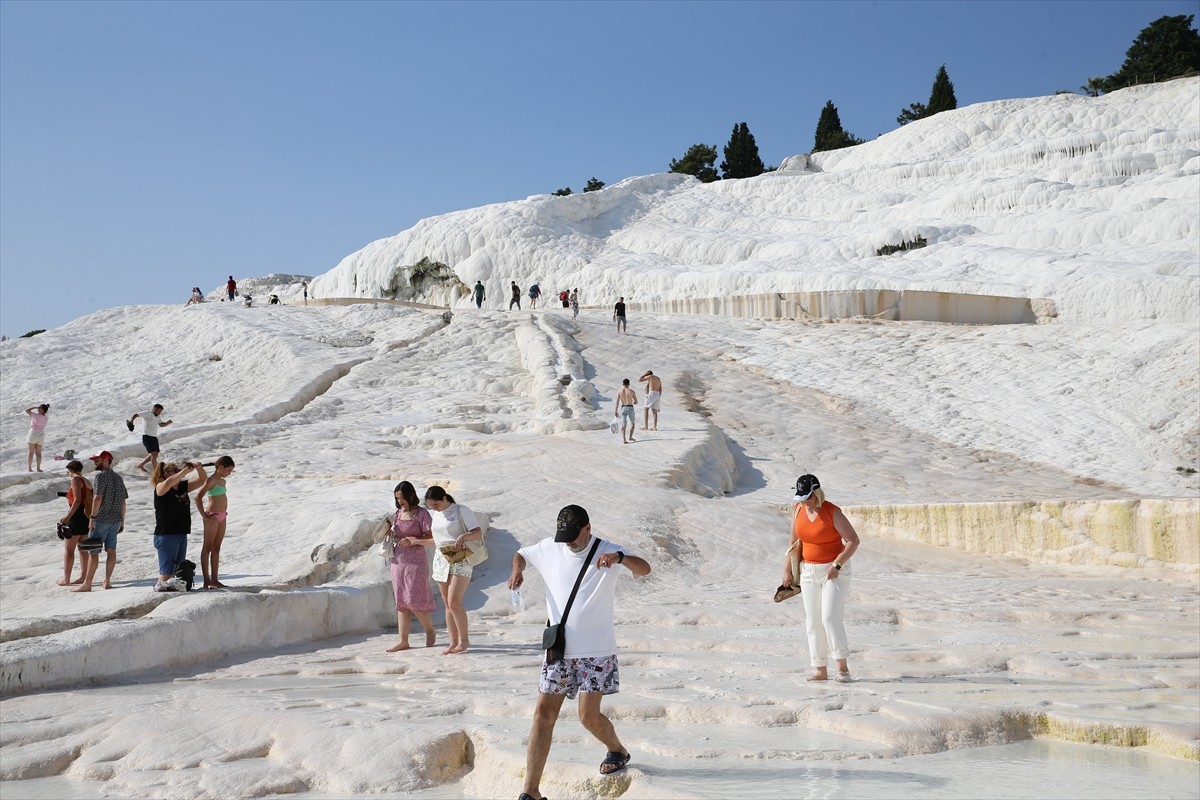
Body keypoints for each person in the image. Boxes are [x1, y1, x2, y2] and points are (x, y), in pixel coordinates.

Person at [507, 504, 651, 800]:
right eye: (565, 537)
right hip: (558, 650)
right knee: (542, 715)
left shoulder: (607, 550)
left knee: (587, 716)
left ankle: (617, 750)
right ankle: (531, 792)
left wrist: (620, 558)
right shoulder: (551, 547)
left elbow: (644, 569)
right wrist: (517, 570)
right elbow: (521, 554)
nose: (569, 543)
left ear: (588, 528)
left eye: (574, 536)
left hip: (596, 651)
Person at [781, 474, 861, 683]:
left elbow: (853, 540)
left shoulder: (832, 512)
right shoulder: (798, 510)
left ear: (817, 492)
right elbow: (793, 542)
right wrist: (788, 570)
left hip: (834, 571)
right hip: (808, 571)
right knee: (813, 621)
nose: (804, 501)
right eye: (801, 497)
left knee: (829, 618)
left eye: (808, 497)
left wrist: (837, 564)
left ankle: (843, 670)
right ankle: (820, 670)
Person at [424, 485, 483, 654]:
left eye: (436, 504)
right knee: (447, 604)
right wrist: (416, 541)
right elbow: (438, 540)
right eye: (431, 506)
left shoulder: (461, 510)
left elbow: (477, 532)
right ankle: (453, 642)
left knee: (454, 601)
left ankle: (464, 641)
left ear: (444, 498)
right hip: (441, 558)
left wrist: (463, 536)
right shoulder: (436, 514)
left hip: (460, 556)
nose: (434, 508)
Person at [387, 481, 438, 651]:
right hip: (398, 560)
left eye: (402, 498)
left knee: (414, 599)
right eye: (397, 498)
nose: (399, 501)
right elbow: (395, 535)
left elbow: (432, 535)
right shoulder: (398, 513)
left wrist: (414, 540)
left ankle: (430, 630)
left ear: (411, 496)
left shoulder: (422, 514)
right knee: (401, 600)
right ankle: (403, 641)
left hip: (416, 560)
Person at [151, 460, 208, 592]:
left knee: (177, 570)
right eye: (175, 471)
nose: (179, 473)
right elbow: (168, 483)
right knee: (166, 573)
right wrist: (185, 471)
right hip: (167, 534)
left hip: (181, 532)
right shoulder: (161, 487)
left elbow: (202, 480)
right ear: (166, 474)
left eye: (178, 470)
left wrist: (199, 468)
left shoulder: (182, 486)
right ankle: (158, 594)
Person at [76, 451, 128, 592]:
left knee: (93, 552)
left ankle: (87, 584)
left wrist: (92, 518)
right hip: (116, 519)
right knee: (111, 550)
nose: (95, 462)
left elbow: (98, 498)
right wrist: (122, 522)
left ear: (106, 461)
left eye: (98, 460)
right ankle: (107, 581)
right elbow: (123, 502)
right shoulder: (118, 478)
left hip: (101, 519)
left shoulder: (100, 477)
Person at [198, 455, 235, 589]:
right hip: (212, 516)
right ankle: (206, 580)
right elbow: (198, 497)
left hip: (222, 516)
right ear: (220, 467)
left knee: (217, 548)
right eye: (228, 470)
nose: (229, 473)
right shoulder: (211, 480)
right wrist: (204, 516)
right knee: (207, 547)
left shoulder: (223, 482)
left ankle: (215, 579)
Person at [57, 460, 92, 586]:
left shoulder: (75, 480)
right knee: (83, 548)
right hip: (86, 516)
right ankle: (83, 576)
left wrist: (67, 517)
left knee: (69, 549)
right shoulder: (86, 481)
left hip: (76, 516)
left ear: (70, 469)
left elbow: (77, 500)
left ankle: (66, 579)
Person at [130, 404, 173, 473]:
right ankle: (157, 473)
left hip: (153, 437)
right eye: (158, 410)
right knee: (154, 455)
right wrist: (131, 421)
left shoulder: (157, 416)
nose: (159, 412)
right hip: (147, 437)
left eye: (160, 411)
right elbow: (136, 415)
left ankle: (141, 465)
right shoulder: (148, 413)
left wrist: (167, 423)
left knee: (155, 454)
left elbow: (161, 424)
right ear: (154, 409)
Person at [25, 403, 49, 472]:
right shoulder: (46, 418)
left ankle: (30, 468)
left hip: (33, 433)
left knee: (31, 452)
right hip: (41, 434)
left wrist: (35, 407)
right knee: (38, 453)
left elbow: (27, 410)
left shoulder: (36, 415)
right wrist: (39, 408)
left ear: (42, 410)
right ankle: (38, 468)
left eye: (39, 408)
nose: (38, 409)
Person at [614, 379, 637, 444]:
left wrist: (615, 411)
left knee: (624, 425)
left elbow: (617, 403)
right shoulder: (632, 391)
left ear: (623, 384)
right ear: (629, 384)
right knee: (632, 423)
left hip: (623, 408)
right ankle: (630, 437)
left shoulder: (620, 392)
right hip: (630, 407)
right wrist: (633, 402)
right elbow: (636, 402)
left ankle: (624, 439)